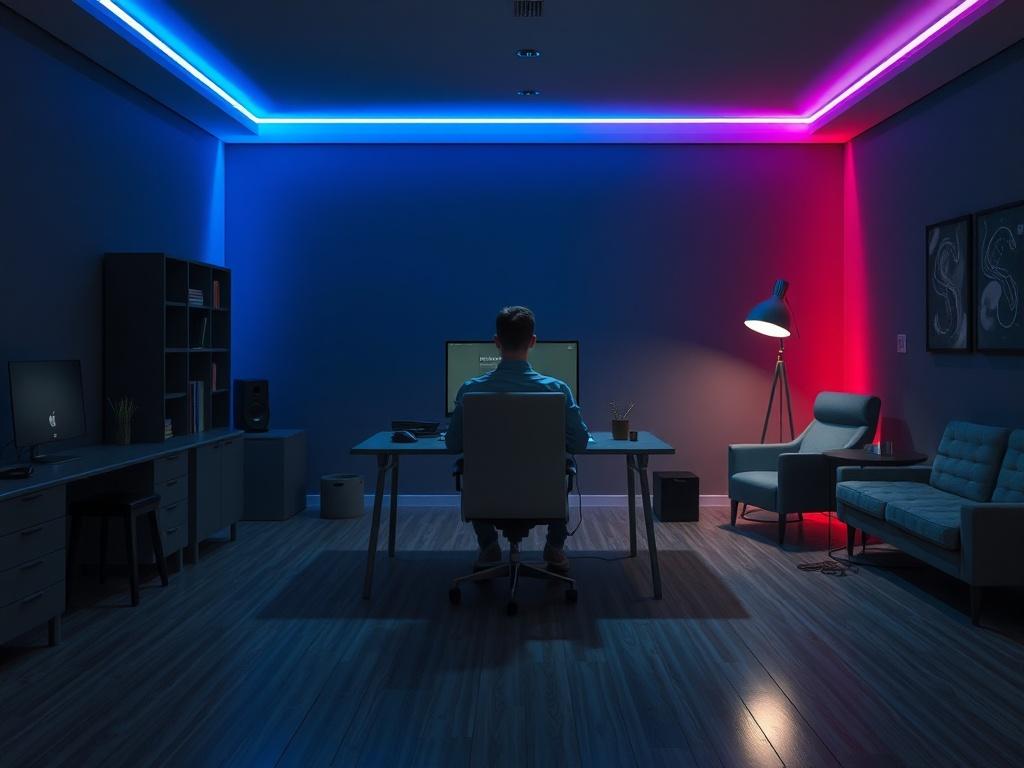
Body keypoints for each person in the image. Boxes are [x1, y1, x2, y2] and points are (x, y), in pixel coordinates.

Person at [445, 306, 590, 574]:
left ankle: (488, 545)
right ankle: (554, 547)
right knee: (565, 467)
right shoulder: (558, 390)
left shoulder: (470, 390)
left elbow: (453, 445)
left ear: (496, 342)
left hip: (487, 496)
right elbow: (580, 443)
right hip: (542, 495)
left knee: (471, 467)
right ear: (533, 341)